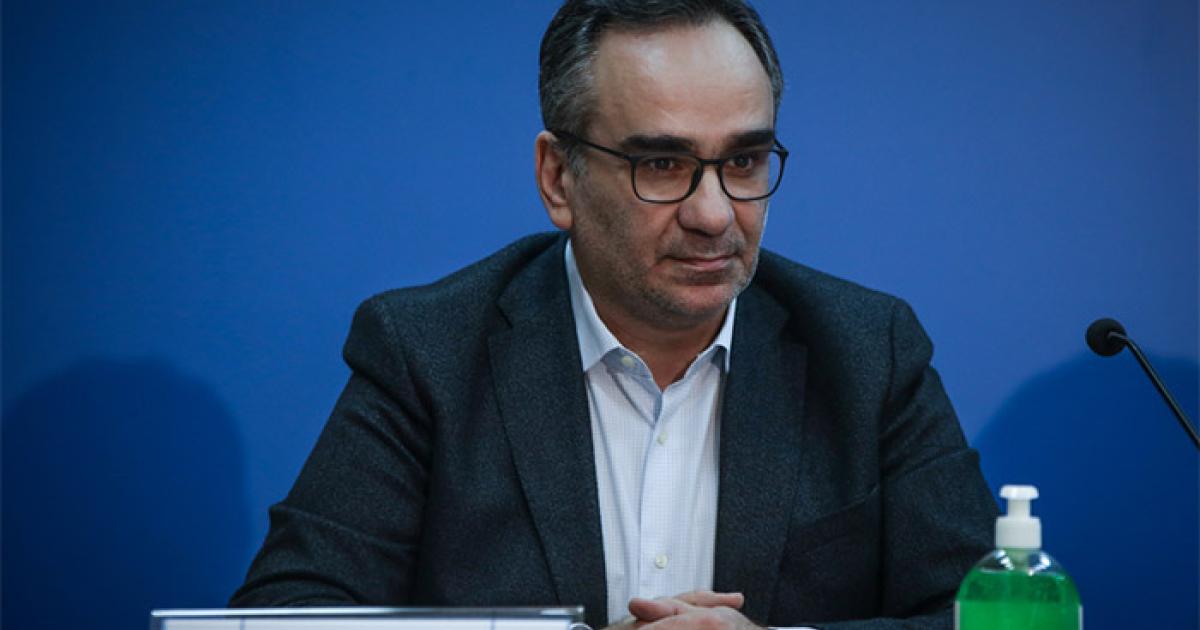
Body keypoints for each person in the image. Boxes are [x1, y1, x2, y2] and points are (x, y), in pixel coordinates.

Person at [231, 1, 998, 628]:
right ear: (558, 178)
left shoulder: (866, 352)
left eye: (743, 162)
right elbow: (289, 615)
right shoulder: (430, 353)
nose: (713, 214)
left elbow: (990, 617)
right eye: (661, 164)